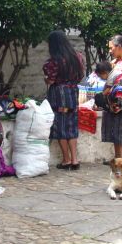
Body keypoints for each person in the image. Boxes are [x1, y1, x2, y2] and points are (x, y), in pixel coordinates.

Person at [42, 30, 85, 170]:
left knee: (60, 126)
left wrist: (47, 80)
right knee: (71, 126)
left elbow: (51, 79)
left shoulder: (53, 61)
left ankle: (66, 160)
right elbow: (80, 77)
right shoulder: (77, 57)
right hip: (73, 92)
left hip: (58, 94)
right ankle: (75, 159)